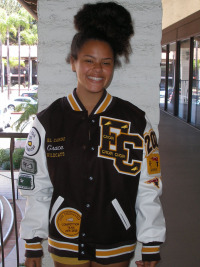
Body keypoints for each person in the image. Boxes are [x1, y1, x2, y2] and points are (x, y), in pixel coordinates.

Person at [18, 2, 166, 267]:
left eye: (105, 63)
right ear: (73, 62)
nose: (97, 70)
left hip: (116, 240)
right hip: (65, 240)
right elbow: (37, 186)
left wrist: (151, 244)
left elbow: (149, 186)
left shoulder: (136, 122)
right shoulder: (48, 122)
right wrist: (32, 245)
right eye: (88, 60)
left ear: (112, 67)